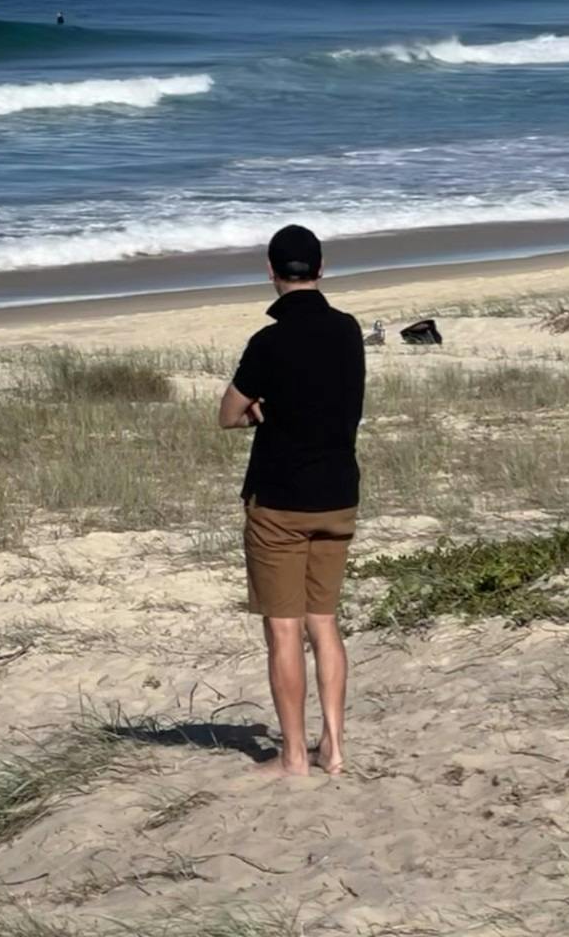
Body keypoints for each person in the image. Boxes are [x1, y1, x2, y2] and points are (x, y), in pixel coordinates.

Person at [217, 224, 364, 777]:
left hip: (280, 500)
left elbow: (229, 413)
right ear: (321, 269)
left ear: (272, 272)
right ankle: (336, 747)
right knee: (323, 622)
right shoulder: (349, 331)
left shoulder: (268, 343)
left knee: (284, 629)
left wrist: (262, 412)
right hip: (338, 496)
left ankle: (295, 755)